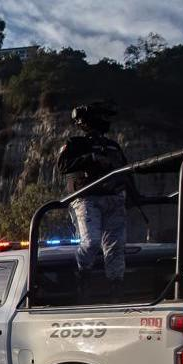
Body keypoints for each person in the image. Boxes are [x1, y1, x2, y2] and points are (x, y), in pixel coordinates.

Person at [57, 104, 131, 298]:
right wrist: (90, 158)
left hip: (113, 198)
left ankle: (116, 286)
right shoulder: (75, 143)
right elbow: (62, 165)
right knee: (91, 243)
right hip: (86, 198)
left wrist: (133, 195)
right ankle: (83, 274)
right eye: (100, 116)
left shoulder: (113, 146)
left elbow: (125, 171)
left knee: (116, 246)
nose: (104, 121)